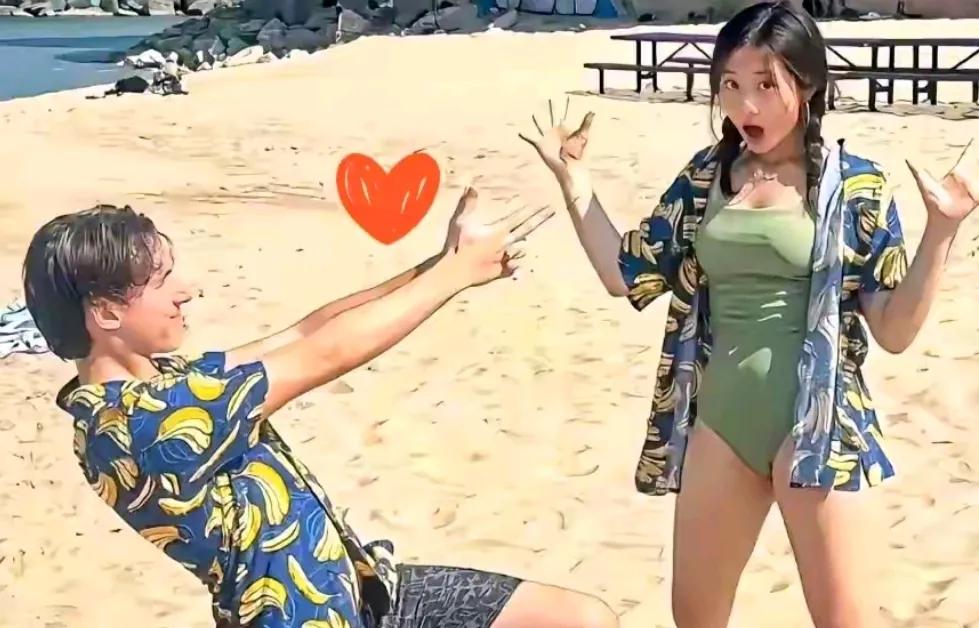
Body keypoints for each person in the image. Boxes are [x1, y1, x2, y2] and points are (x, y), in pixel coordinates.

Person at [520, 2, 977, 627]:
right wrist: (574, 181)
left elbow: (894, 331)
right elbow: (624, 274)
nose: (746, 106)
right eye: (731, 86)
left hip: (816, 426)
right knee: (694, 618)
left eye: (766, 85)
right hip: (721, 423)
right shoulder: (704, 177)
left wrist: (941, 232)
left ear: (807, 85)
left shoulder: (855, 186)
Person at [22, 188, 620, 628]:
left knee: (583, 619)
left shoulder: (166, 382)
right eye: (161, 282)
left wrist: (440, 264)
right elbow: (326, 353)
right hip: (302, 616)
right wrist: (458, 275)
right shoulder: (141, 424)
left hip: (365, 591)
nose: (187, 291)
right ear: (106, 312)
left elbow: (304, 331)